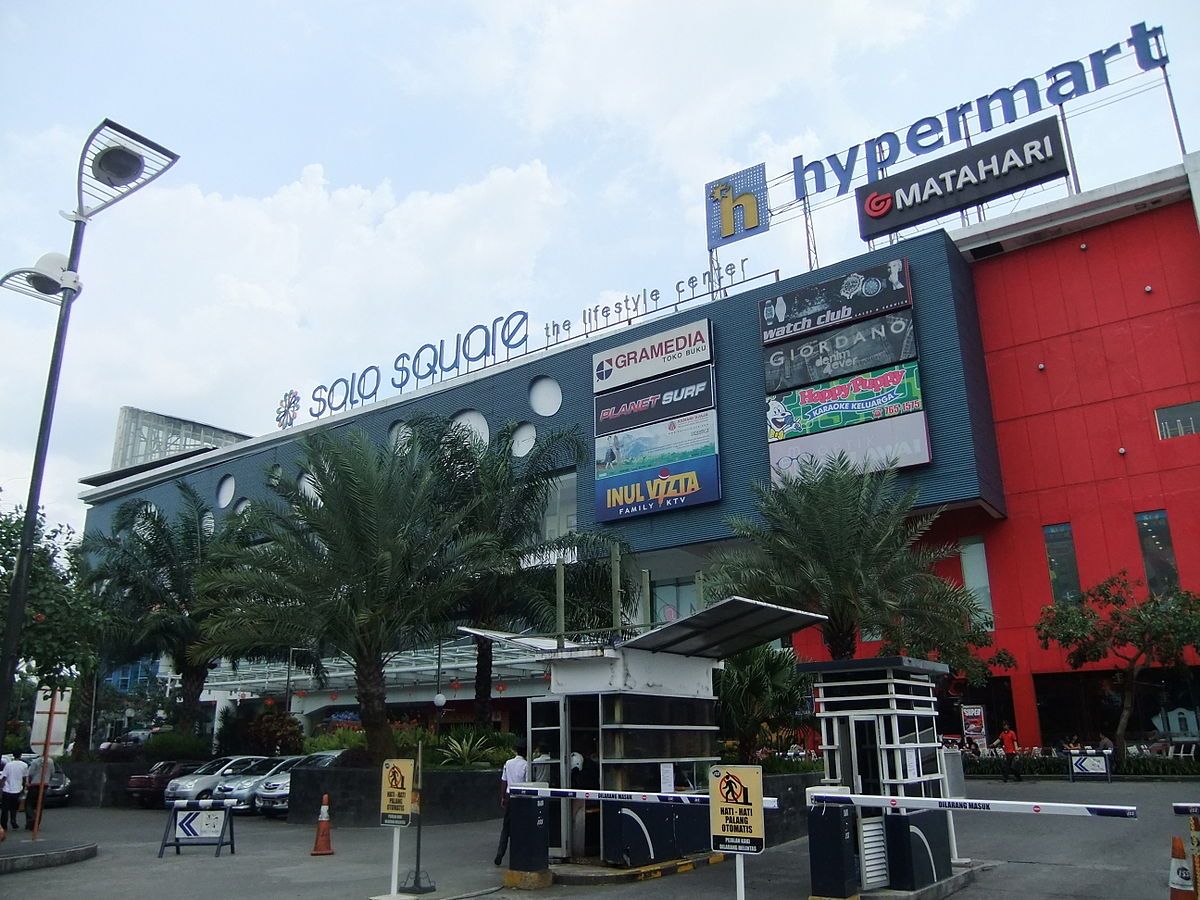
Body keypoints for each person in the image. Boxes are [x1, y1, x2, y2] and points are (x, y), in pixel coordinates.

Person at [494, 742, 529, 867]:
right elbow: (527, 783)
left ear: (516, 751)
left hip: (510, 796)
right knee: (521, 827)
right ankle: (519, 853)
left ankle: (500, 853)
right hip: (521, 797)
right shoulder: (526, 765)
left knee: (506, 827)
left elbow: (504, 780)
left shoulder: (508, 763)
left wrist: (503, 797)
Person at [25, 755, 56, 830]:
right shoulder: (50, 761)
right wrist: (48, 779)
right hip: (45, 784)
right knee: (40, 805)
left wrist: (28, 782)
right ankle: (37, 824)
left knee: (29, 804)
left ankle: (32, 818)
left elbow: (30, 773)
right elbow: (52, 773)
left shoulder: (35, 761)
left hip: (34, 784)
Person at [1, 753, 30, 834]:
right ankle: (13, 821)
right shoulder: (24, 765)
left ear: (13, 756)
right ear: (20, 756)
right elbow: (25, 778)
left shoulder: (8, 765)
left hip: (7, 789)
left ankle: (4, 825)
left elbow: (4, 777)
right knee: (13, 807)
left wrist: (1, 786)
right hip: (17, 789)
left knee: (5, 809)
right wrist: (24, 788)